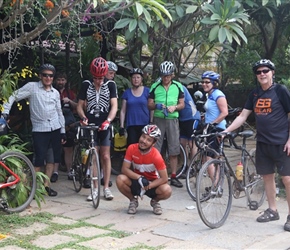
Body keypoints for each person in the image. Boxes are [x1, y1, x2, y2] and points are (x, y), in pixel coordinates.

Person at [224, 59, 290, 232]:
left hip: (282, 143)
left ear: (272, 72)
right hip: (262, 143)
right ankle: (272, 210)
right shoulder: (254, 94)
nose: (262, 74)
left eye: (265, 71)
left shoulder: (281, 91)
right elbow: (243, 116)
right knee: (267, 177)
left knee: (287, 179)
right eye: (259, 72)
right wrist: (226, 131)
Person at [2, 64, 66, 196]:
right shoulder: (32, 87)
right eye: (45, 75)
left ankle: (46, 186)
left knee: (51, 159)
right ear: (40, 75)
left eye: (50, 75)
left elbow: (59, 112)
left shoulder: (55, 93)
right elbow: (14, 95)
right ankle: (34, 189)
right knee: (38, 160)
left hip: (55, 128)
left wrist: (63, 130)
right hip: (40, 129)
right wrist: (5, 112)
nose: (48, 78)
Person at [77, 57, 118, 201]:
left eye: (100, 78)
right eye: (95, 78)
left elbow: (114, 106)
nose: (98, 81)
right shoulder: (86, 85)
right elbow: (79, 105)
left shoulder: (111, 85)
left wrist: (108, 121)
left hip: (104, 123)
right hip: (91, 124)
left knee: (105, 155)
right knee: (94, 155)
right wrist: (83, 117)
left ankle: (106, 187)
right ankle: (94, 189)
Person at [116, 124, 172, 215]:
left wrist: (149, 185)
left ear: (153, 143)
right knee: (120, 179)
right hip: (137, 181)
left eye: (149, 140)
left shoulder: (156, 156)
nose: (144, 141)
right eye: (143, 137)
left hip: (152, 183)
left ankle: (155, 201)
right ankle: (133, 200)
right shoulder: (131, 148)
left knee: (167, 190)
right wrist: (139, 178)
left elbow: (164, 178)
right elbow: (124, 169)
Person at [148, 61, 185, 188]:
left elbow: (182, 104)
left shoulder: (178, 86)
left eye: (168, 76)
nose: (166, 78)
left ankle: (173, 176)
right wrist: (157, 106)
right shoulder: (155, 86)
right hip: (159, 119)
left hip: (172, 119)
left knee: (173, 148)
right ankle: (156, 176)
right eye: (164, 76)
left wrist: (174, 107)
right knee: (156, 148)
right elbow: (149, 104)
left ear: (172, 75)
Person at [51, 72, 77, 182]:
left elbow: (77, 107)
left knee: (68, 149)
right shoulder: (52, 92)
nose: (60, 82)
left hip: (68, 126)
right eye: (59, 80)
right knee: (55, 149)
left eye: (63, 80)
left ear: (65, 81)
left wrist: (69, 101)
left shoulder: (70, 93)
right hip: (55, 124)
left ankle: (69, 171)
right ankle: (55, 172)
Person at [119, 68, 151, 146]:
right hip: (131, 125)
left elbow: (151, 108)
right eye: (133, 77)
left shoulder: (147, 91)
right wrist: (121, 126)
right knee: (132, 147)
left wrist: (151, 121)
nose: (136, 80)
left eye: (138, 77)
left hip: (145, 124)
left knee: (144, 146)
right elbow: (123, 111)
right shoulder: (127, 93)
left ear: (141, 79)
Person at [179, 85, 201, 178]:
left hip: (192, 117)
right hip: (182, 119)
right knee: (182, 143)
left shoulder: (180, 87)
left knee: (192, 143)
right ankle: (185, 166)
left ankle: (193, 167)